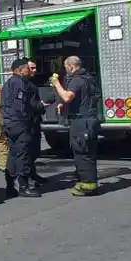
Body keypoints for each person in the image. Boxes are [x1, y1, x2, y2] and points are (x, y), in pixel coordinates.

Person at [50, 56, 100, 196]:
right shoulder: (88, 78)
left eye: (66, 68)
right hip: (90, 120)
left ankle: (88, 185)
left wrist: (56, 84)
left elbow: (67, 97)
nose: (66, 72)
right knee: (88, 152)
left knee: (82, 153)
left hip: (81, 121)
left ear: (71, 67)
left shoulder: (77, 80)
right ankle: (88, 181)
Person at [1, 58, 43, 198]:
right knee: (23, 154)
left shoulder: (7, 83)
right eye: (27, 68)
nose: (28, 71)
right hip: (19, 123)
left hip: (8, 123)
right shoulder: (20, 83)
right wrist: (28, 119)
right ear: (20, 69)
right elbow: (21, 105)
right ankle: (24, 187)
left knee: (12, 154)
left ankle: (10, 186)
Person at [26, 58, 49, 186]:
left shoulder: (33, 83)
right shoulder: (24, 84)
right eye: (31, 68)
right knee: (28, 152)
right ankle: (28, 177)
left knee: (35, 149)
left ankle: (33, 174)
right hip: (28, 122)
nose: (34, 70)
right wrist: (40, 106)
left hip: (35, 121)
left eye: (35, 68)